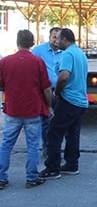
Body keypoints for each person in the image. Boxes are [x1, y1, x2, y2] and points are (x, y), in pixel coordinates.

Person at [0, 30, 53, 189]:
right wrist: (49, 106)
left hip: (13, 109)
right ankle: (31, 177)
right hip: (33, 109)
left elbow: (1, 84)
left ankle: (1, 178)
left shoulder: (5, 62)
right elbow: (46, 88)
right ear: (32, 43)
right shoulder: (37, 61)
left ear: (18, 42)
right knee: (33, 145)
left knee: (7, 144)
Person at [39, 28, 89, 179]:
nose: (56, 41)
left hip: (69, 100)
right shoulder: (80, 53)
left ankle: (52, 168)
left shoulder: (68, 54)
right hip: (80, 101)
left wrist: (57, 93)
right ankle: (72, 164)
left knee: (53, 132)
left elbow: (63, 77)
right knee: (72, 133)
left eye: (59, 38)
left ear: (65, 40)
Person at [32, 27, 62, 157]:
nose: (56, 40)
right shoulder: (38, 51)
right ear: (49, 37)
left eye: (59, 38)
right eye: (54, 37)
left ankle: (55, 148)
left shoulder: (65, 52)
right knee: (46, 122)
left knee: (58, 122)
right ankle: (47, 149)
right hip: (43, 92)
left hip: (60, 92)